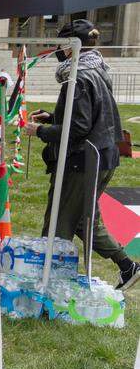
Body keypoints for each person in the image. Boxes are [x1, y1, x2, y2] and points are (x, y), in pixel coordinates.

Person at [25, 19, 138, 290]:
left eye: (60, 44)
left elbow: (77, 128)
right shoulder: (97, 68)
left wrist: (40, 130)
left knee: (59, 225)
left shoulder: (78, 77)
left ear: (70, 46)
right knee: (84, 221)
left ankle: (48, 287)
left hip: (83, 160)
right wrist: (53, 117)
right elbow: (91, 117)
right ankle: (128, 266)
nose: (57, 50)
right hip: (102, 156)